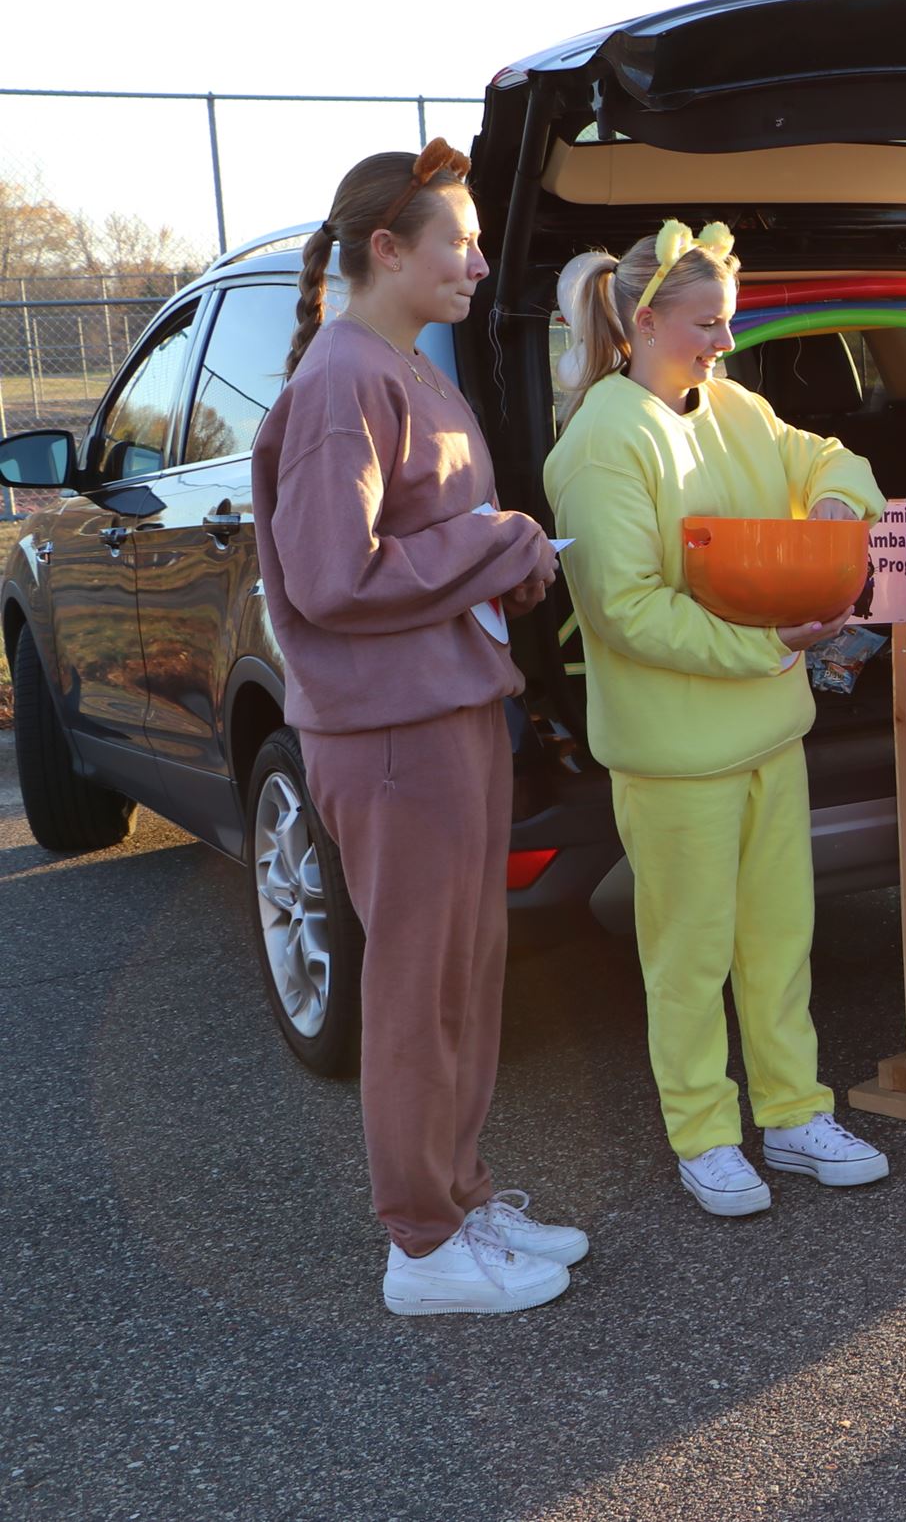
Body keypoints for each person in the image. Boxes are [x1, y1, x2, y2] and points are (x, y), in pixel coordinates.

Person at [252, 142, 580, 1315]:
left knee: (467, 970)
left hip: (447, 706)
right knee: (416, 982)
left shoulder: (404, 366)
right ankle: (421, 1245)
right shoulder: (346, 378)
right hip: (390, 727)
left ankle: (459, 1193)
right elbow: (333, 574)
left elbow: (424, 552)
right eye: (460, 240)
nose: (481, 263)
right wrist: (500, 540)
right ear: (386, 249)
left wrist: (516, 561)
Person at [546, 221, 893, 1217]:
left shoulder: (734, 405)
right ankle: (703, 1131)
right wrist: (774, 645)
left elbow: (835, 458)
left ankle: (791, 1112)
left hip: (767, 735)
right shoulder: (601, 439)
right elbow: (627, 609)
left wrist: (835, 501)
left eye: (729, 323)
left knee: (779, 940)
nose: (724, 345)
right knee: (690, 954)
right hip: (674, 756)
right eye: (708, 325)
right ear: (643, 320)